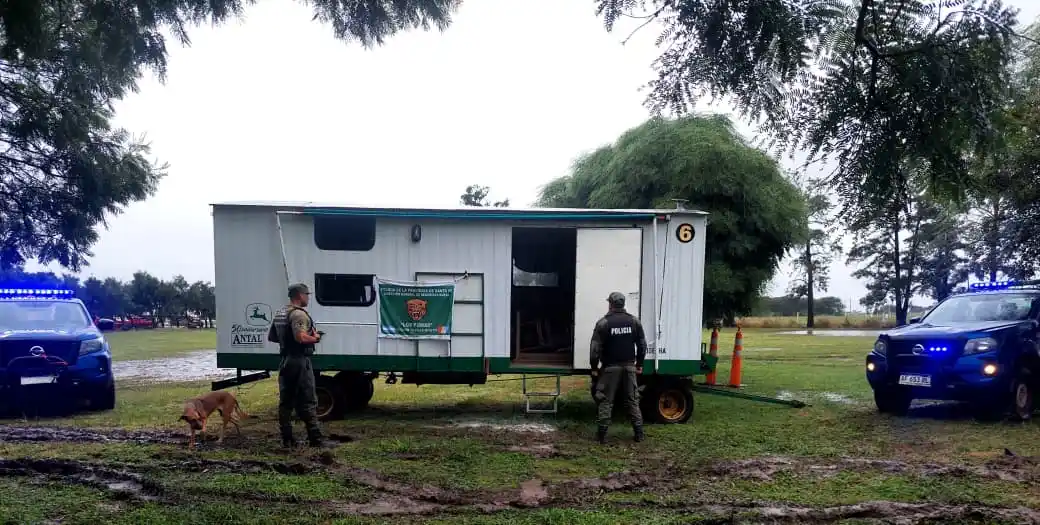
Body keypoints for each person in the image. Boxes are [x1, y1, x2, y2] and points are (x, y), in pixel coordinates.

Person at [269, 282, 336, 449]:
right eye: (307, 294)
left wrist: (287, 340)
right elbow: (301, 337)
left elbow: (272, 337)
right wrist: (315, 338)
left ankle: (288, 439)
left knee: (286, 402)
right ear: (299, 295)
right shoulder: (299, 315)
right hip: (299, 360)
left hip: (285, 360)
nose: (308, 297)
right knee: (308, 399)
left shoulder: (281, 313)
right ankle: (316, 439)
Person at [589, 291, 647, 444]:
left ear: (610, 304)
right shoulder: (634, 321)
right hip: (629, 367)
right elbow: (642, 345)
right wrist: (639, 364)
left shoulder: (604, 323)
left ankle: (601, 436)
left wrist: (594, 367)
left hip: (610, 368)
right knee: (632, 400)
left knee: (606, 400)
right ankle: (639, 434)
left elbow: (595, 348)